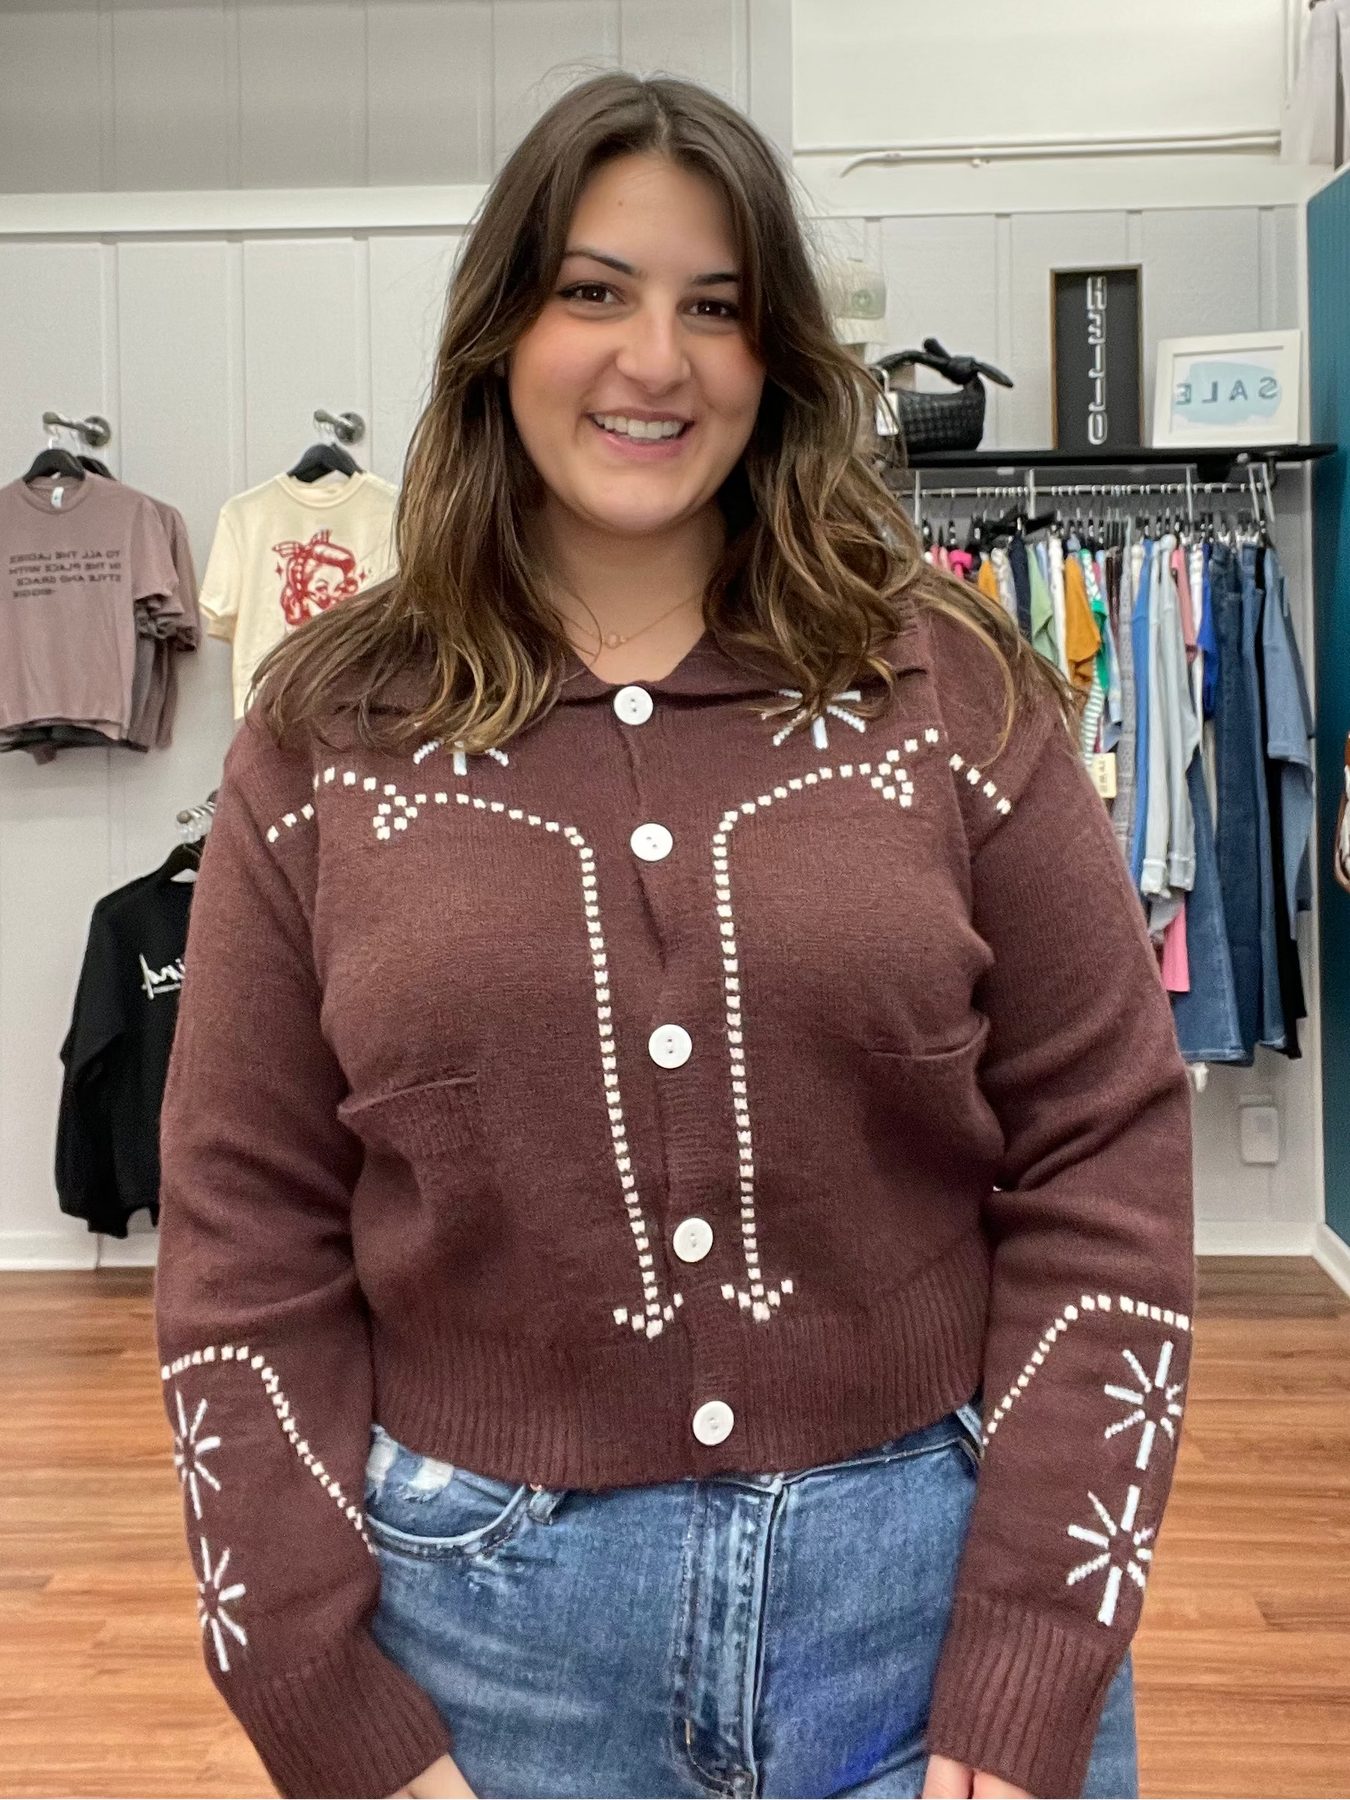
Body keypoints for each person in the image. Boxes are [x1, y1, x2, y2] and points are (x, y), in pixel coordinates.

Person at [154, 72, 1194, 1800]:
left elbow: (1105, 1150)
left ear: (775, 356)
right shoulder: (329, 734)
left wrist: (1029, 1667)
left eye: (716, 306)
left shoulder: (948, 691)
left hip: (932, 1625)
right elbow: (241, 1229)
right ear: (500, 329)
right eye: (594, 290)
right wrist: (321, 1707)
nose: (657, 360)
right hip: (483, 1661)